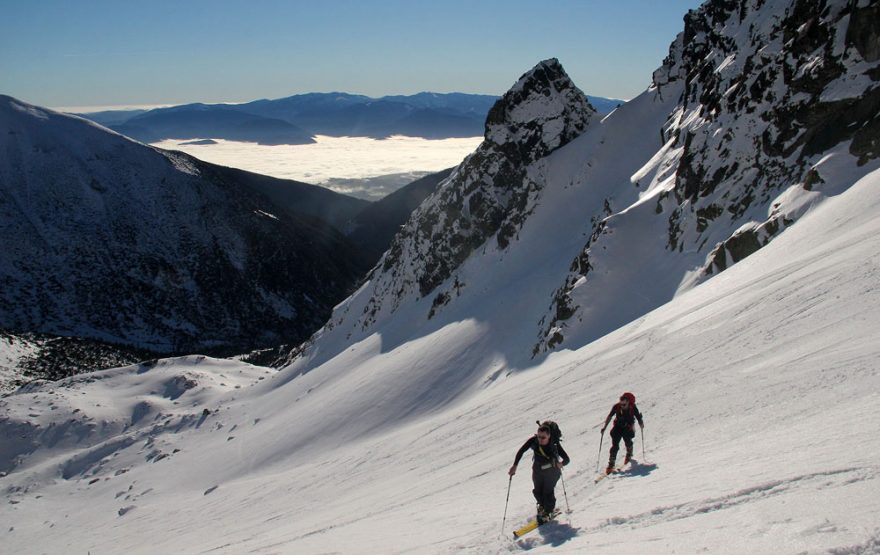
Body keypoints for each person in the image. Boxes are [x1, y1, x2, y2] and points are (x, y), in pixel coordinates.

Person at [508, 421, 570, 523]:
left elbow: (567, 459)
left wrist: (561, 464)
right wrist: (515, 465)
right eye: (539, 437)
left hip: (552, 471)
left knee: (547, 491)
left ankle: (548, 511)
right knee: (537, 491)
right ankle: (542, 507)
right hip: (537, 469)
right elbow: (521, 450)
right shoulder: (534, 441)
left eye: (543, 437)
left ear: (549, 436)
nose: (540, 440)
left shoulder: (554, 444)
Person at [601, 392, 644, 473]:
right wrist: (604, 427)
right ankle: (611, 464)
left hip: (628, 427)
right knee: (615, 445)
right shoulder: (616, 406)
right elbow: (610, 416)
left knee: (627, 441)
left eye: (624, 404)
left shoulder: (633, 407)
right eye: (621, 404)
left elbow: (638, 416)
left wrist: (641, 424)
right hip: (618, 426)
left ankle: (629, 452)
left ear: (628, 402)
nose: (622, 406)